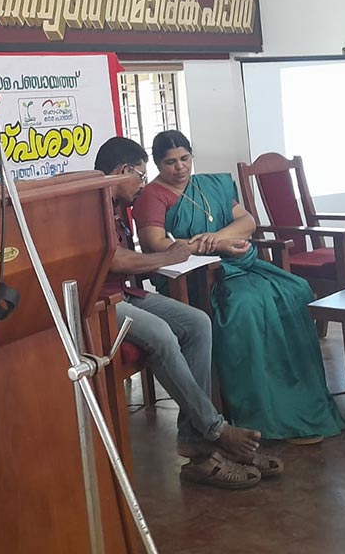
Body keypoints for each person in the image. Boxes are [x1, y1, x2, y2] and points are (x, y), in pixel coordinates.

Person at [132, 130, 345, 443]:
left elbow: (247, 222)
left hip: (237, 264)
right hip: (193, 278)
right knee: (244, 306)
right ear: (157, 164)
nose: (179, 167)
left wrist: (217, 238)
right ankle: (261, 410)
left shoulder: (210, 185)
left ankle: (298, 397)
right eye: (170, 162)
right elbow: (156, 243)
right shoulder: (153, 195)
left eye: (185, 159)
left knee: (295, 290)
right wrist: (209, 246)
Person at [96, 136, 283, 489]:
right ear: (123, 170)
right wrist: (165, 257)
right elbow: (116, 260)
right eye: (141, 175)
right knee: (163, 335)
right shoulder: (90, 205)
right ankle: (215, 431)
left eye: (185, 158)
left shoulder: (119, 202)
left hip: (126, 293)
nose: (142, 184)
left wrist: (202, 244)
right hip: (99, 304)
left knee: (197, 322)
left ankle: (193, 440)